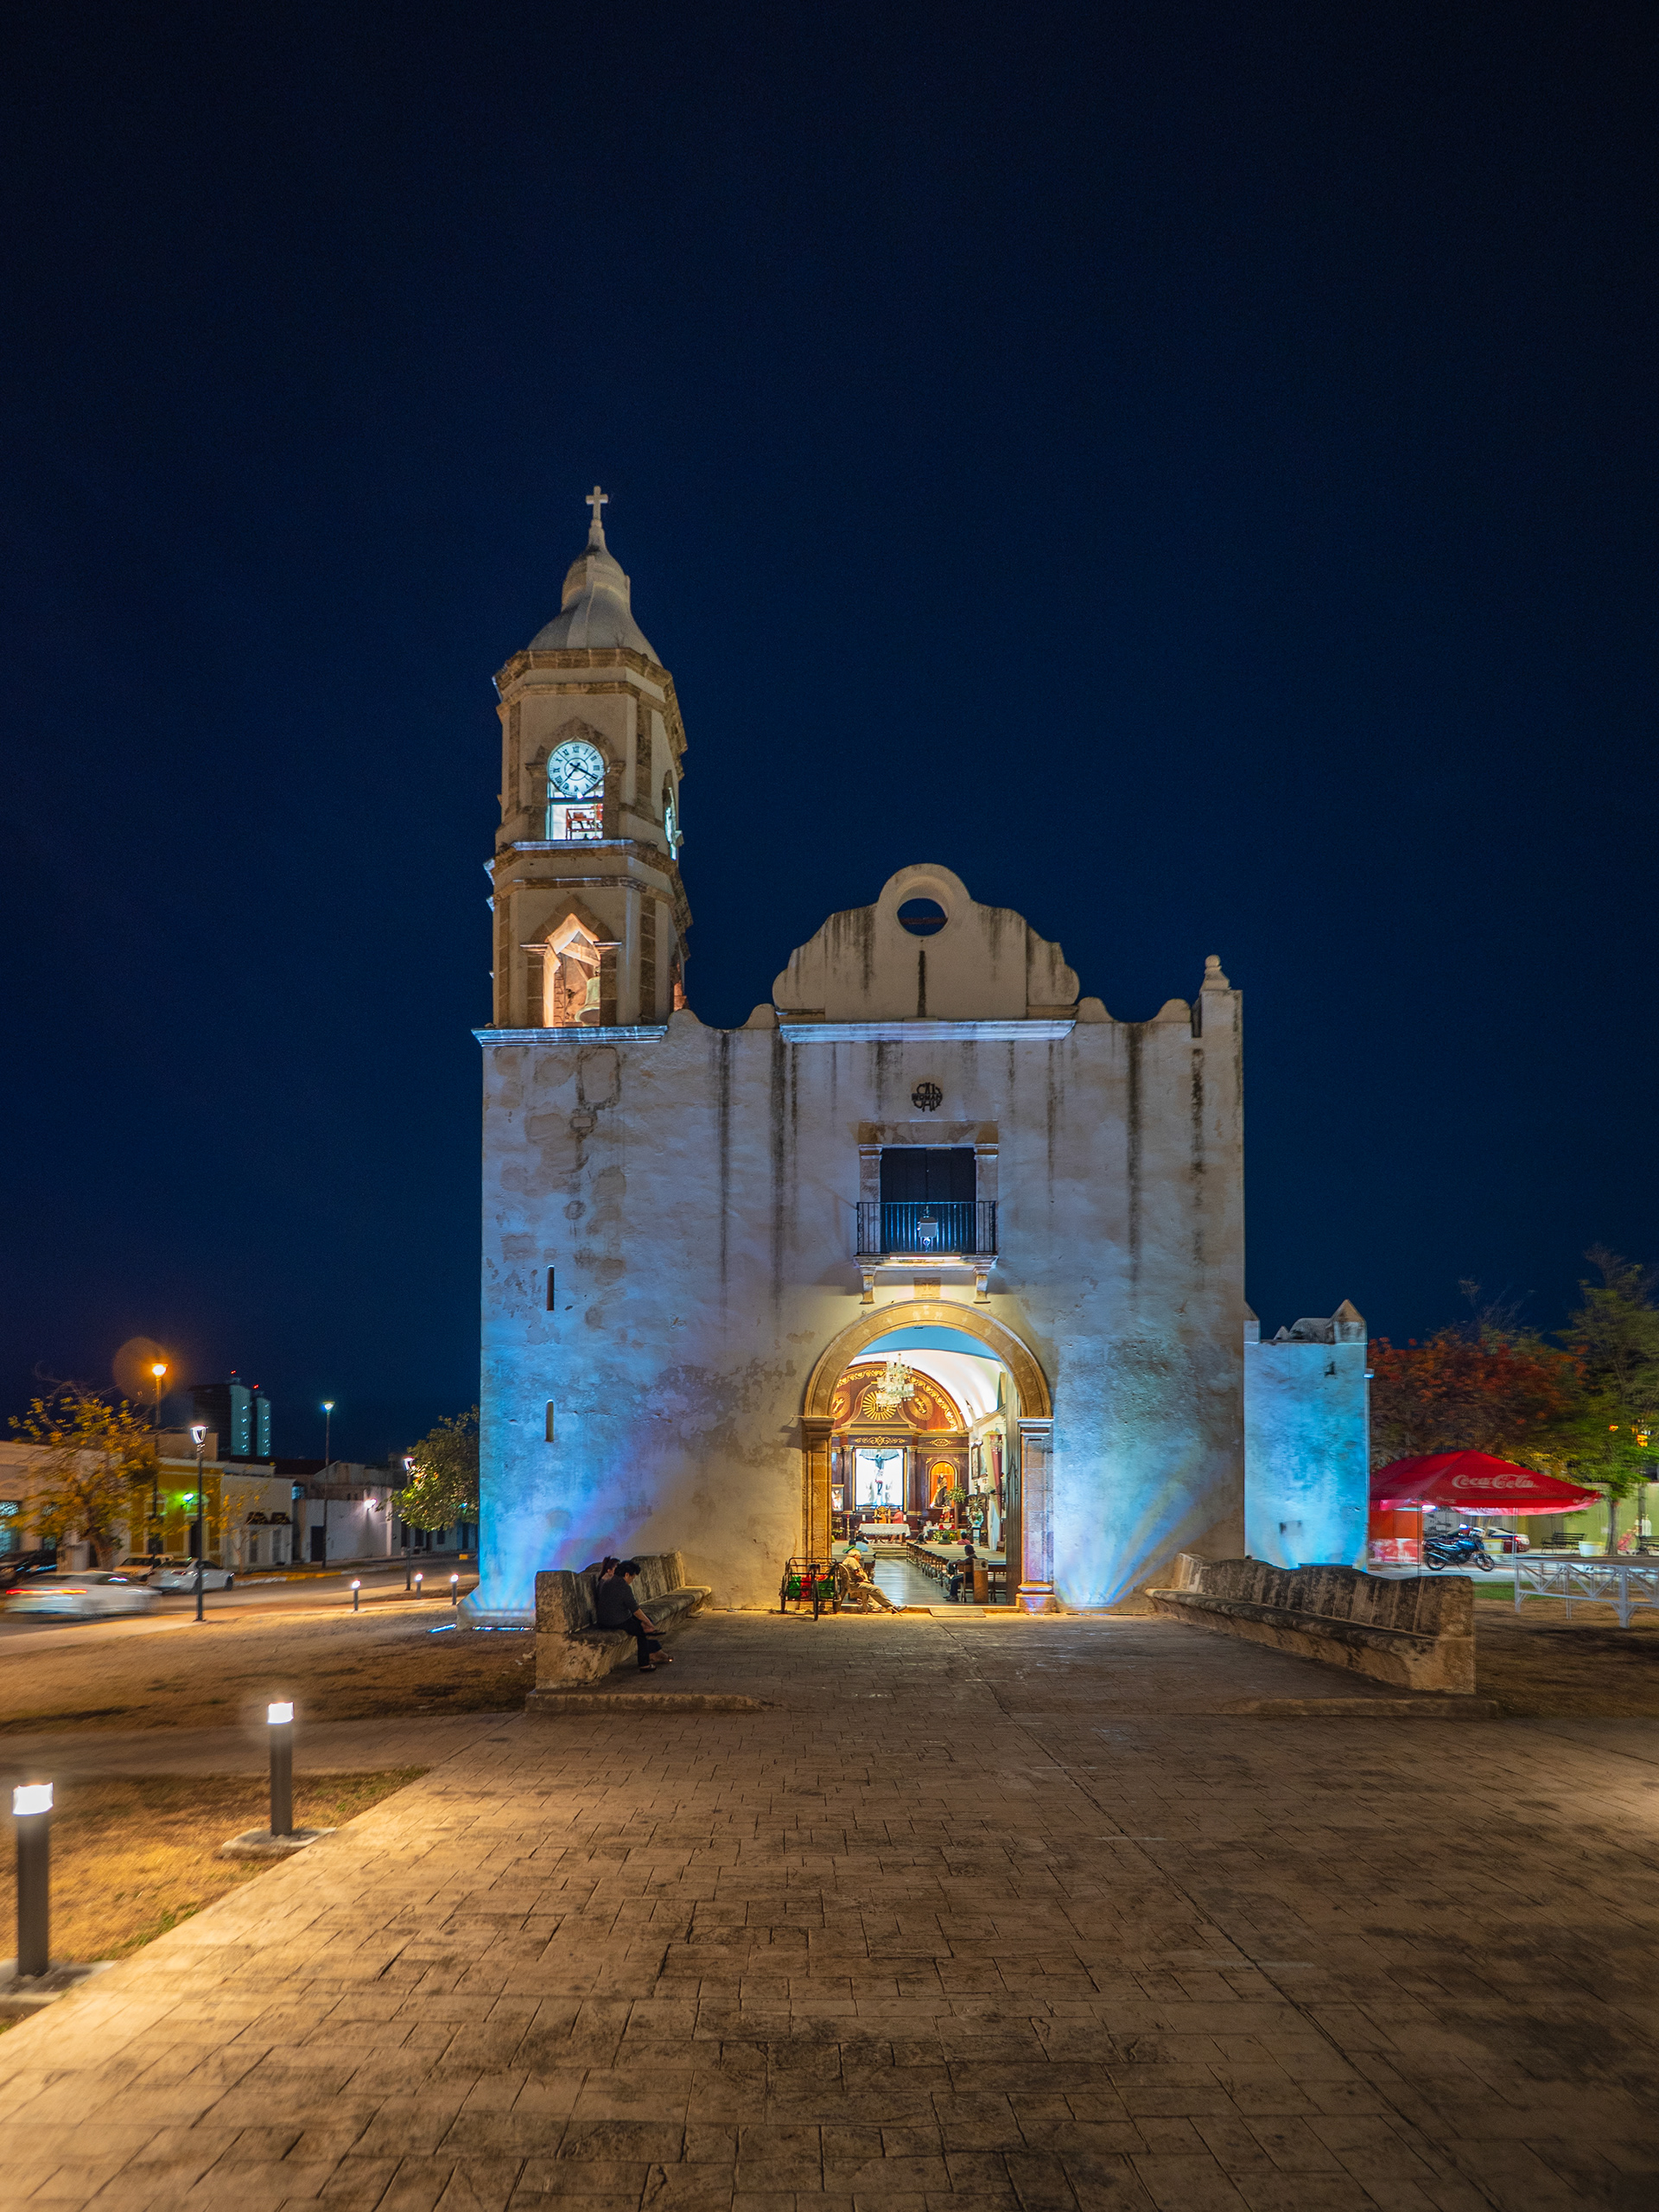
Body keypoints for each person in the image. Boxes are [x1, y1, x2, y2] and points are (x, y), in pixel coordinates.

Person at [594, 1559, 672, 1669]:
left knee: (643, 1623)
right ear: (627, 1575)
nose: (632, 1581)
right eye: (632, 1577)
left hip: (603, 1620)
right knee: (641, 1631)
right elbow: (635, 1610)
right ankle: (645, 1663)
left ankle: (655, 1652)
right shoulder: (623, 1587)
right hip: (617, 1621)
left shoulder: (608, 1582)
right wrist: (648, 1623)